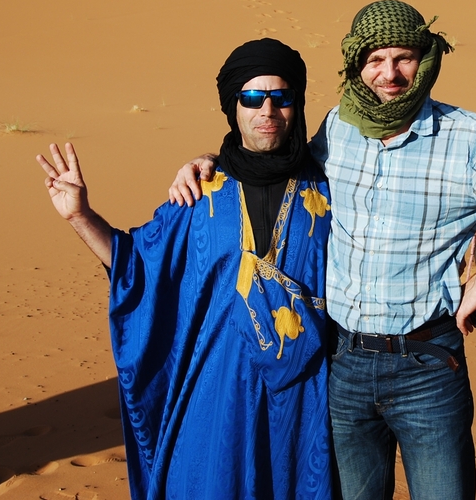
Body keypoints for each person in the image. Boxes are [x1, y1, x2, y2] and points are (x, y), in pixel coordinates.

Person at [171, 0, 476, 500]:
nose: (389, 74)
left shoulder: (468, 139)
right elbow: (278, 161)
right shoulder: (339, 129)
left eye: (404, 57)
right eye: (374, 60)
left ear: (427, 59)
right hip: (342, 364)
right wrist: (209, 160)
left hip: (427, 366)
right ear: (355, 65)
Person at [37, 39, 335, 500]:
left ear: (298, 103)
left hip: (305, 399)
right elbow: (135, 266)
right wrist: (80, 215)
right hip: (215, 399)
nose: (267, 110)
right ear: (233, 107)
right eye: (252, 98)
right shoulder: (198, 195)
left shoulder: (335, 190)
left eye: (282, 97)